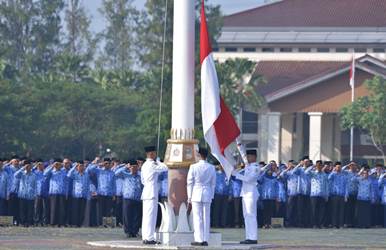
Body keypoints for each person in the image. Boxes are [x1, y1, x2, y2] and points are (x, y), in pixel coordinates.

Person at [187, 148, 216, 246]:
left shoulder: (193, 166)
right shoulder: (211, 167)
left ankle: (199, 239)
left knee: (197, 217)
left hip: (196, 192)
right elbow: (213, 184)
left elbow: (190, 183)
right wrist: (211, 195)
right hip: (207, 192)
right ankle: (205, 239)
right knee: (206, 217)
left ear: (199, 155)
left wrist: (189, 197)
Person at [141, 146, 168, 245]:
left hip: (146, 190)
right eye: (155, 153)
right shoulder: (152, 164)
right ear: (151, 154)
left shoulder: (144, 165)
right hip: (151, 192)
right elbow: (165, 168)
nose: (155, 155)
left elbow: (143, 181)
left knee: (146, 216)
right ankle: (149, 238)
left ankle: (145, 236)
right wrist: (159, 161)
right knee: (151, 216)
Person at [232, 149, 259, 244]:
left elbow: (249, 179)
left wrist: (237, 176)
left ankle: (253, 237)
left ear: (254, 157)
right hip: (245, 193)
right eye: (247, 156)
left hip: (251, 193)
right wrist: (235, 173)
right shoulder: (248, 167)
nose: (247, 158)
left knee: (251, 215)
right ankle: (249, 237)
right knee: (246, 215)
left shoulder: (255, 167)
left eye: (249, 156)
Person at [115, 159, 143, 238]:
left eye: (135, 167)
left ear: (137, 167)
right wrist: (125, 167)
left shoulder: (140, 175)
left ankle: (135, 231)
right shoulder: (125, 174)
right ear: (129, 168)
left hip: (137, 198)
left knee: (137, 216)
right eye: (132, 167)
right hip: (128, 198)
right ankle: (128, 231)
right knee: (127, 216)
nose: (133, 169)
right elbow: (115, 173)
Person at [87, 158, 116, 226]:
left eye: (109, 163)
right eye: (106, 163)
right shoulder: (99, 171)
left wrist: (114, 194)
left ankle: (107, 224)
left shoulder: (112, 173)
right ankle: (100, 223)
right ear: (103, 163)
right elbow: (89, 169)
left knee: (108, 210)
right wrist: (98, 164)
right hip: (100, 193)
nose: (107, 165)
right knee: (100, 209)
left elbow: (114, 184)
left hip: (109, 193)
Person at [305, 160, 329, 228]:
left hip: (322, 194)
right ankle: (314, 224)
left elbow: (326, 185)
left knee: (321, 211)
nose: (319, 167)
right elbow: (306, 172)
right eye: (318, 165)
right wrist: (313, 166)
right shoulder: (313, 173)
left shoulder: (324, 175)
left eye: (320, 165)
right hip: (314, 194)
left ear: (322, 166)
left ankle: (320, 224)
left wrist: (326, 195)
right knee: (314, 210)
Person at [44, 159, 68, 226]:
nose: (58, 165)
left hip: (61, 192)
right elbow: (44, 173)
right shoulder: (51, 172)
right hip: (53, 192)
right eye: (57, 164)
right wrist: (52, 166)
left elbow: (66, 182)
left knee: (61, 209)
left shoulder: (63, 172)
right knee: (53, 209)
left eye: (59, 164)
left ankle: (61, 223)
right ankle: (52, 222)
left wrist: (65, 192)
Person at [14, 160, 37, 227]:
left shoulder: (33, 175)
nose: (27, 167)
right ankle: (22, 222)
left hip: (30, 195)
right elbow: (15, 175)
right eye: (26, 165)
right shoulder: (21, 174)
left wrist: (35, 194)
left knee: (30, 210)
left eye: (29, 166)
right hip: (22, 195)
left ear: (31, 166)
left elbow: (35, 185)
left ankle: (29, 222)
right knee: (22, 210)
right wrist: (23, 168)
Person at [67, 161, 90, 227]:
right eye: (80, 166)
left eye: (82, 166)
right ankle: (75, 223)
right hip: (76, 194)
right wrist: (74, 166)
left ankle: (80, 223)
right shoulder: (74, 174)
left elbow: (88, 184)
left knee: (82, 210)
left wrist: (88, 194)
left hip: (84, 194)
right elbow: (68, 175)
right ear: (77, 167)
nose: (81, 167)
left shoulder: (86, 174)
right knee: (75, 210)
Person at [279, 160, 300, 227]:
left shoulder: (298, 172)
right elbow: (281, 175)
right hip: (291, 193)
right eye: (290, 164)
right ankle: (288, 223)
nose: (292, 166)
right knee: (289, 209)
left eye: (293, 164)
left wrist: (296, 166)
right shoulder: (288, 173)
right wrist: (288, 168)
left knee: (296, 209)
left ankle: (295, 222)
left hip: (298, 193)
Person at [258, 161, 278, 229]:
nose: (270, 172)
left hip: (272, 197)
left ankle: (270, 224)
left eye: (270, 171)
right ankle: (265, 223)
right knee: (265, 211)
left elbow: (276, 186)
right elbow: (259, 179)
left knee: (271, 211)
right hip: (265, 196)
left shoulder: (274, 178)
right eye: (268, 171)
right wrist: (264, 171)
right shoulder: (264, 177)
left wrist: (276, 196)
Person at [328, 161, 348, 228]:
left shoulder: (344, 176)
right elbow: (328, 178)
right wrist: (333, 171)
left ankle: (341, 224)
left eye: (340, 167)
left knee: (341, 211)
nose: (339, 168)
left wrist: (346, 195)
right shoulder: (333, 174)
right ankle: (334, 224)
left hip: (342, 195)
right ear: (335, 167)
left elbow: (346, 186)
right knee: (334, 211)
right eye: (337, 167)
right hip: (334, 195)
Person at [5, 156, 21, 225]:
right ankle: (9, 222)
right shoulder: (9, 168)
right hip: (11, 191)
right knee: (10, 208)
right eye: (15, 161)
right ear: (12, 162)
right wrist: (8, 163)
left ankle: (17, 221)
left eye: (17, 161)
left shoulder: (20, 169)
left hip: (19, 192)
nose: (16, 162)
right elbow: (2, 167)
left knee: (18, 208)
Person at [342, 162, 358, 227]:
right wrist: (347, 165)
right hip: (348, 193)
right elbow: (341, 170)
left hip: (355, 193)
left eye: (354, 165)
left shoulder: (357, 173)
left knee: (354, 210)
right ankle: (347, 222)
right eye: (352, 165)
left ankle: (353, 223)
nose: (353, 167)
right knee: (347, 209)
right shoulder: (347, 172)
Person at [33, 160, 49, 226]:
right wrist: (35, 166)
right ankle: (36, 221)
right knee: (36, 208)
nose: (40, 166)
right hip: (37, 193)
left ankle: (44, 222)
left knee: (45, 209)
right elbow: (30, 170)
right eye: (39, 165)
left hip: (45, 193)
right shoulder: (35, 172)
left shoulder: (46, 172)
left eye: (41, 165)